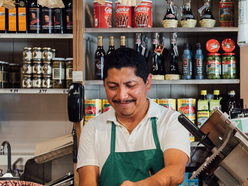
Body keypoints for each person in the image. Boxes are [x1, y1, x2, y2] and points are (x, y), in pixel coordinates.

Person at [77, 47, 190, 186]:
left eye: (130, 85)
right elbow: (87, 183)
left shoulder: (171, 121)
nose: (122, 96)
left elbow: (176, 171)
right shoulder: (92, 128)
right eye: (112, 86)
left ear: (147, 82)